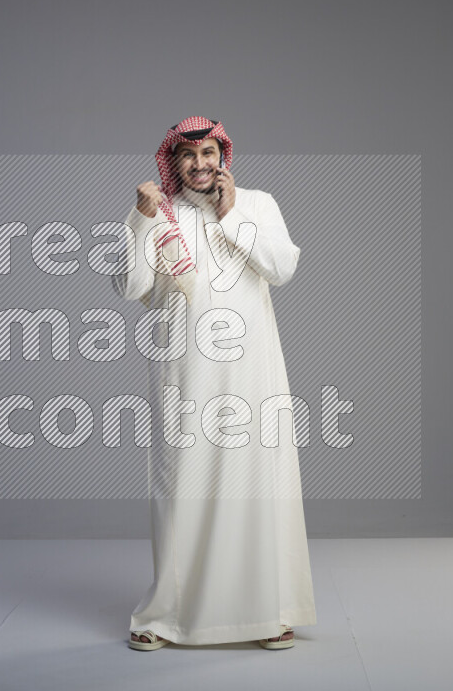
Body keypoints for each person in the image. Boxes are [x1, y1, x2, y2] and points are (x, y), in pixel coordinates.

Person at [111, 117, 317, 650]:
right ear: (172, 163)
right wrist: (138, 220)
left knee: (257, 481)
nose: (199, 164)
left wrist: (230, 217)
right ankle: (166, 616)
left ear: (222, 155)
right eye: (187, 156)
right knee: (181, 486)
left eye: (208, 153)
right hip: (183, 369)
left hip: (252, 367)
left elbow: (282, 268)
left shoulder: (257, 203)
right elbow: (130, 285)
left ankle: (270, 611)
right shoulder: (157, 214)